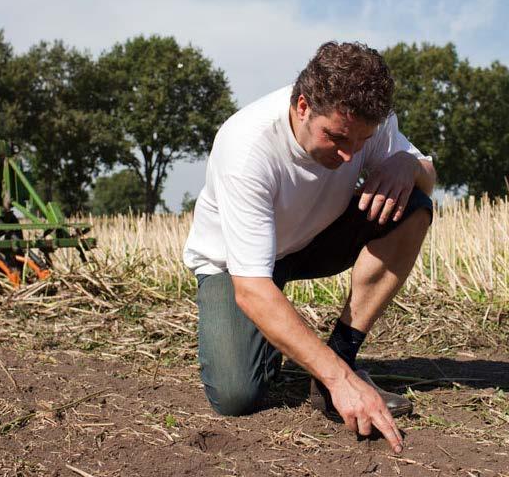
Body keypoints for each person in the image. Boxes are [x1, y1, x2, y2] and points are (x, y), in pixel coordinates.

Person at [183, 41, 436, 454]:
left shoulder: (363, 126)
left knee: (414, 205)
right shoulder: (247, 147)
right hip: (235, 267)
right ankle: (324, 364)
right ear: (302, 106)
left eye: (361, 141)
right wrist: (344, 383)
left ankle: (342, 351)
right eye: (336, 137)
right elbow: (252, 288)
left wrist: (409, 164)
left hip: (314, 237)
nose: (349, 154)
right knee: (235, 396)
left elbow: (428, 176)